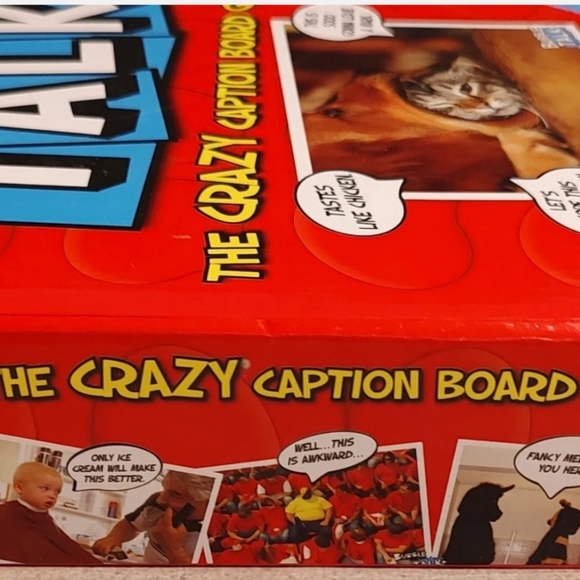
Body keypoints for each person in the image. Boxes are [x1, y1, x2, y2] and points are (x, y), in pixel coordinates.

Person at [93, 470, 214, 564]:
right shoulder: (158, 503)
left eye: (175, 495)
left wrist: (174, 549)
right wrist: (113, 538)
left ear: (205, 501)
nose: (160, 499)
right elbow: (132, 525)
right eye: (164, 489)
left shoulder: (215, 531)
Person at [0, 462, 100, 565]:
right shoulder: (4, 514)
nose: (52, 496)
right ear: (19, 488)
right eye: (45, 489)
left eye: (57, 492)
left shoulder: (46, 520)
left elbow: (66, 546)